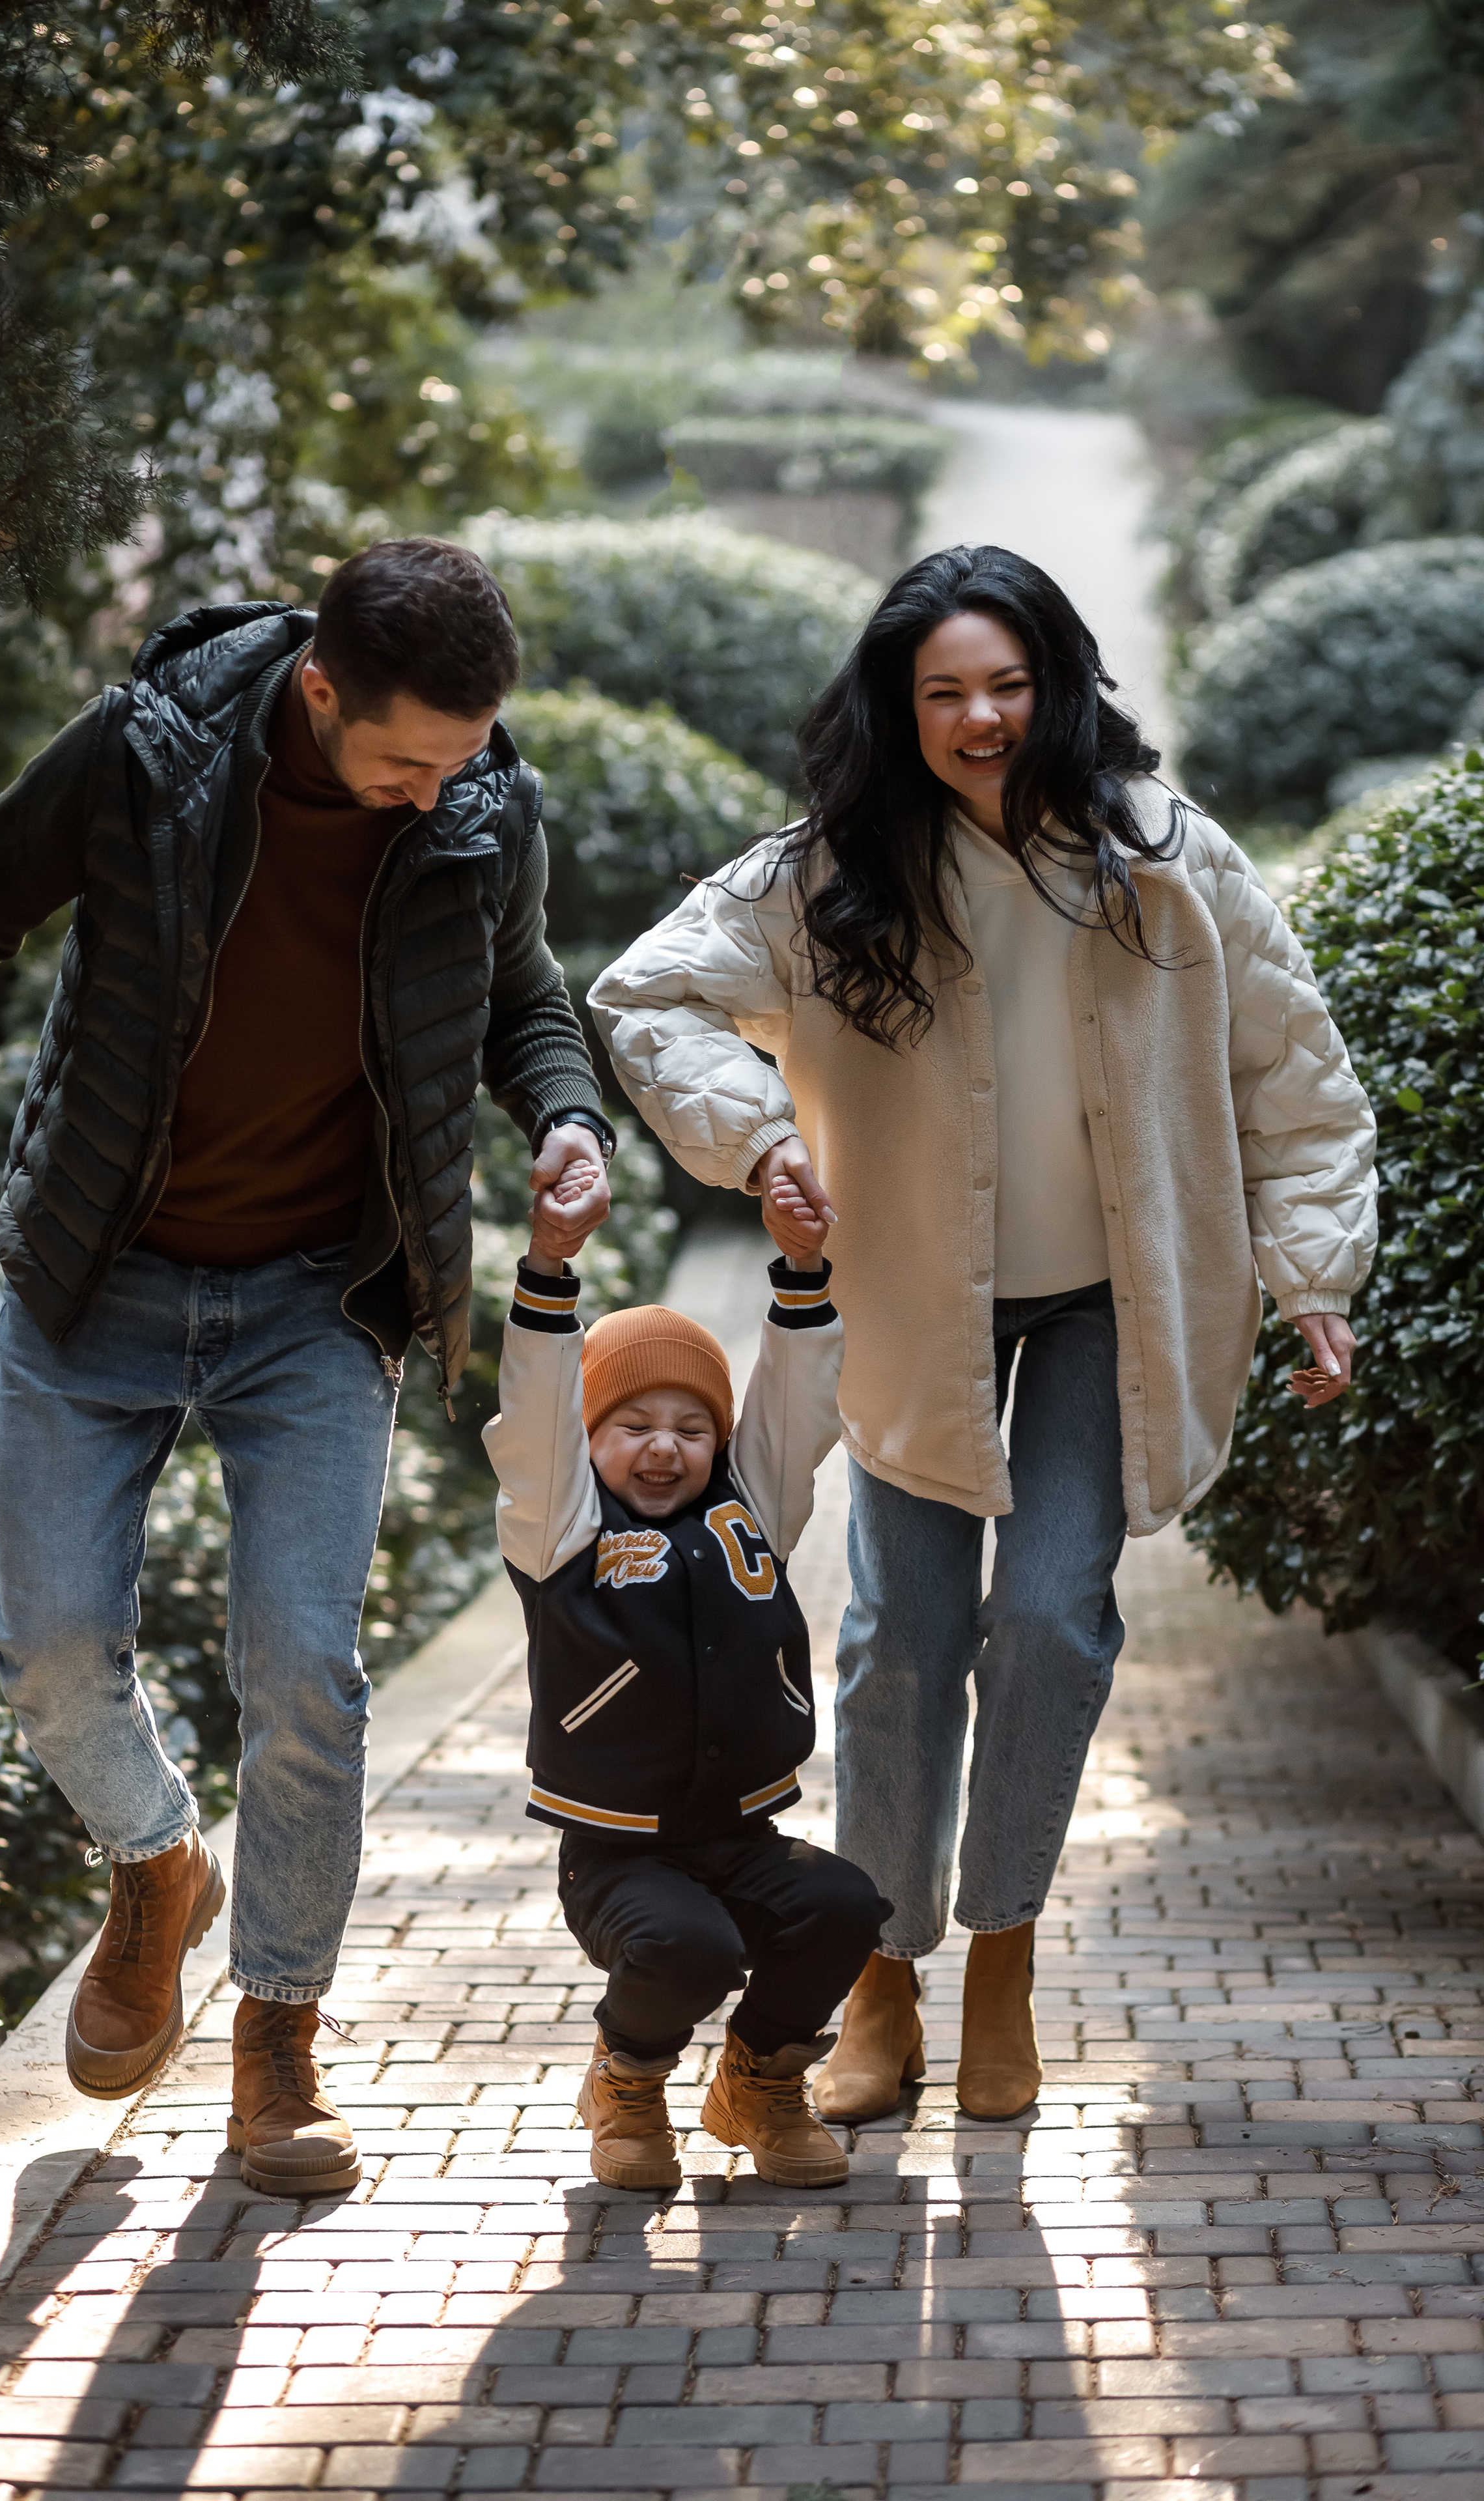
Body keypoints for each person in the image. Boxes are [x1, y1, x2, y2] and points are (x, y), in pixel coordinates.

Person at [0, 539, 615, 2192]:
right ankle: (158, 1864)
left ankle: (277, 2041)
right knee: (45, 1645)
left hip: (320, 1300)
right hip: (95, 1267)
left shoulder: (482, 806)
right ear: (319, 692)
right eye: (406, 762)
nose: (434, 794)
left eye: (461, 760)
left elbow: (521, 996)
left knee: (306, 1675)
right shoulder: (147, 754)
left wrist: (565, 1113)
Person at [589, 544, 1377, 2127]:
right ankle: (880, 1975)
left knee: (1052, 1622)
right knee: (901, 1641)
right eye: (942, 692)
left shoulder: (1165, 856)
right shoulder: (827, 869)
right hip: (909, 1297)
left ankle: (1001, 1957)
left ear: (1056, 685)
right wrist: (760, 1136)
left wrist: (1308, 1272)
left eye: (1006, 686)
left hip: (1107, 1301)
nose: (978, 720)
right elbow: (644, 995)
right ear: (897, 705)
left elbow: (1292, 1075)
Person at [482, 1160, 887, 2189]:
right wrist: (549, 1269)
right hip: (619, 1857)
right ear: (588, 1440)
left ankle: (760, 2082)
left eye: (692, 1428)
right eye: (634, 1427)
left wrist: (803, 1269)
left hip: (739, 1833)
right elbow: (533, 1418)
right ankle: (627, 2080)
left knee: (843, 1906)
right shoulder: (560, 1528)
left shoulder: (753, 1511)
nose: (665, 1447)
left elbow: (797, 1405)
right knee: (688, 1947)